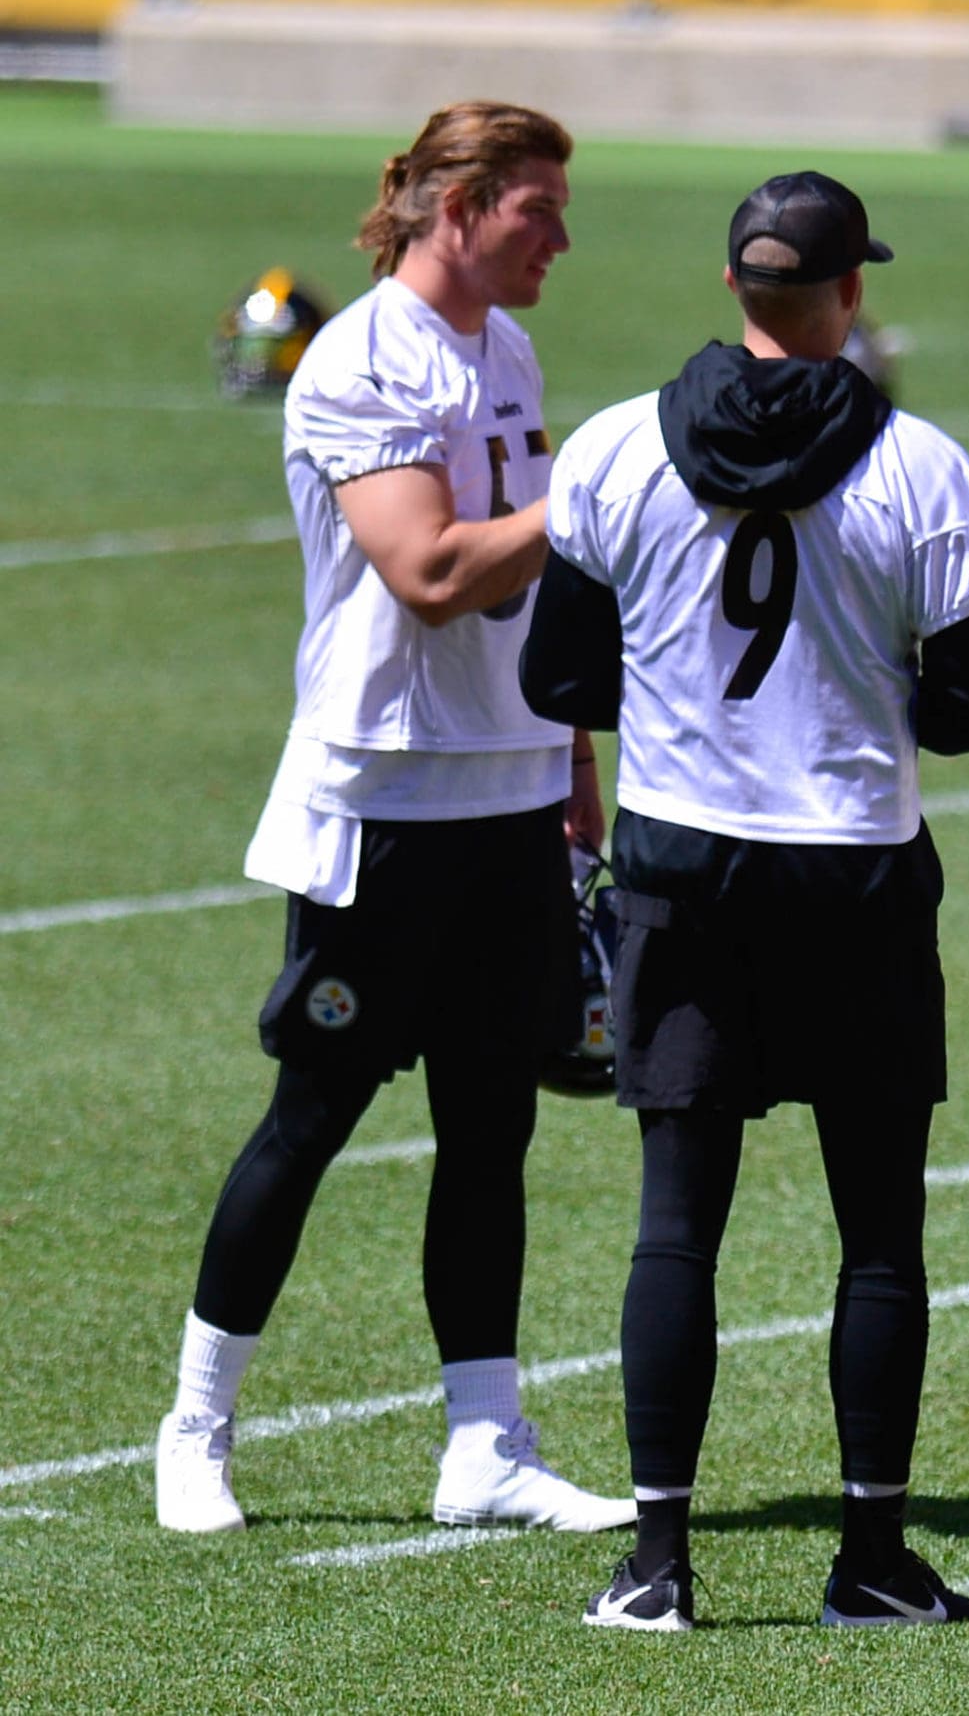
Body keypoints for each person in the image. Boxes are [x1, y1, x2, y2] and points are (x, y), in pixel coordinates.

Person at [520, 170, 969, 1632]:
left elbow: (559, 676)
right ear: (848, 292)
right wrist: (875, 696)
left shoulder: (618, 446)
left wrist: (683, 709)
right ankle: (871, 1555)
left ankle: (659, 1562)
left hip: (681, 866)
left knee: (677, 1223)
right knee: (878, 1230)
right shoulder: (917, 463)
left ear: (735, 290)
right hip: (856, 867)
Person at [154, 101, 632, 1537]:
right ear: (457, 203)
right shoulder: (363, 355)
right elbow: (431, 569)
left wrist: (573, 761)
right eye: (537, 206)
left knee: (494, 1125)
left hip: (507, 784)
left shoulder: (507, 346)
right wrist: (601, 484)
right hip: (389, 790)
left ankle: (483, 1440)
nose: (559, 234)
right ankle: (196, 1424)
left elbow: (532, 596)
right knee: (316, 1109)